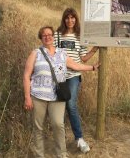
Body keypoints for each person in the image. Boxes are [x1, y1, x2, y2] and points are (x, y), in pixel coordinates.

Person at [23, 26, 99, 158]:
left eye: (49, 34)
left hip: (57, 96)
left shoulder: (62, 53)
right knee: (38, 127)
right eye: (44, 35)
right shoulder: (35, 53)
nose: (47, 37)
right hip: (38, 96)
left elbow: (75, 65)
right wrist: (27, 97)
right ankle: (39, 154)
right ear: (41, 38)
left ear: (53, 36)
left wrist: (92, 67)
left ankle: (61, 154)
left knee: (58, 124)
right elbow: (26, 75)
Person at [54, 8, 99, 153]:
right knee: (59, 109)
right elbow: (51, 52)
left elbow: (83, 57)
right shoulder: (57, 35)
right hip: (59, 77)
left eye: (72, 18)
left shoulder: (80, 36)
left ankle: (79, 138)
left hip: (73, 75)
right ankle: (60, 142)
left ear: (76, 19)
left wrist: (95, 49)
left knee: (71, 104)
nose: (70, 21)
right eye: (67, 18)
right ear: (64, 19)